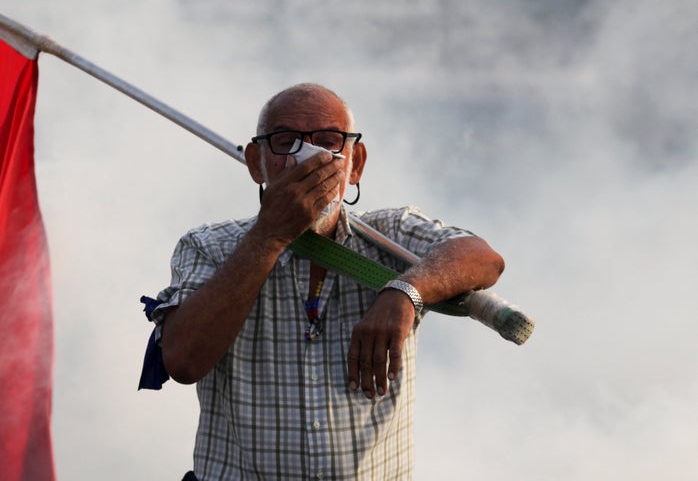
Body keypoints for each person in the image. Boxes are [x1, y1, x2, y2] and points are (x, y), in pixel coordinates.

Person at [146, 83, 504, 480]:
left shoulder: (392, 238)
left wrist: (404, 293)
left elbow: (482, 258)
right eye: (285, 142)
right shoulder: (209, 246)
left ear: (355, 164)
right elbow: (182, 361)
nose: (308, 158)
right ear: (256, 162)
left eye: (329, 142)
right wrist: (270, 236)